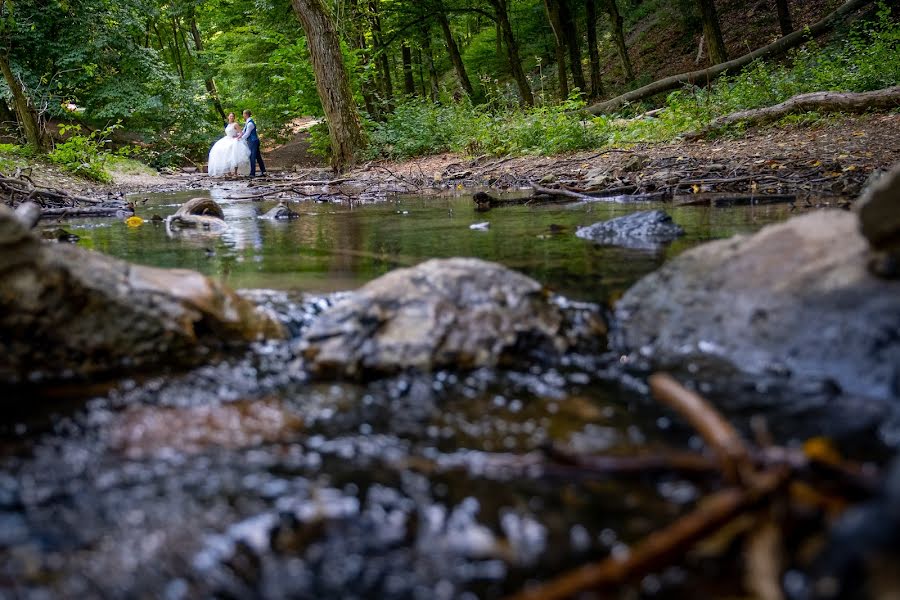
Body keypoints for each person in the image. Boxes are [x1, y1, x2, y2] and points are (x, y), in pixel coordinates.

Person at [207, 112, 251, 177]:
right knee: (225, 154)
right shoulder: (228, 125)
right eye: (230, 116)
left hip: (234, 141)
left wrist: (237, 137)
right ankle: (229, 171)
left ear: (234, 117)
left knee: (235, 156)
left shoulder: (235, 124)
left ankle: (235, 172)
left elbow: (241, 133)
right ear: (228, 117)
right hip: (227, 139)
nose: (231, 117)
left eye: (233, 116)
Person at [239, 109, 267, 177]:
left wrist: (241, 139)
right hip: (253, 141)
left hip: (253, 141)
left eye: (243, 114)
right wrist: (238, 135)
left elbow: (247, 133)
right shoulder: (247, 123)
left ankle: (252, 173)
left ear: (246, 114)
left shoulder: (250, 123)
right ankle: (263, 171)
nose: (243, 115)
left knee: (252, 157)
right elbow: (243, 131)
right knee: (258, 156)